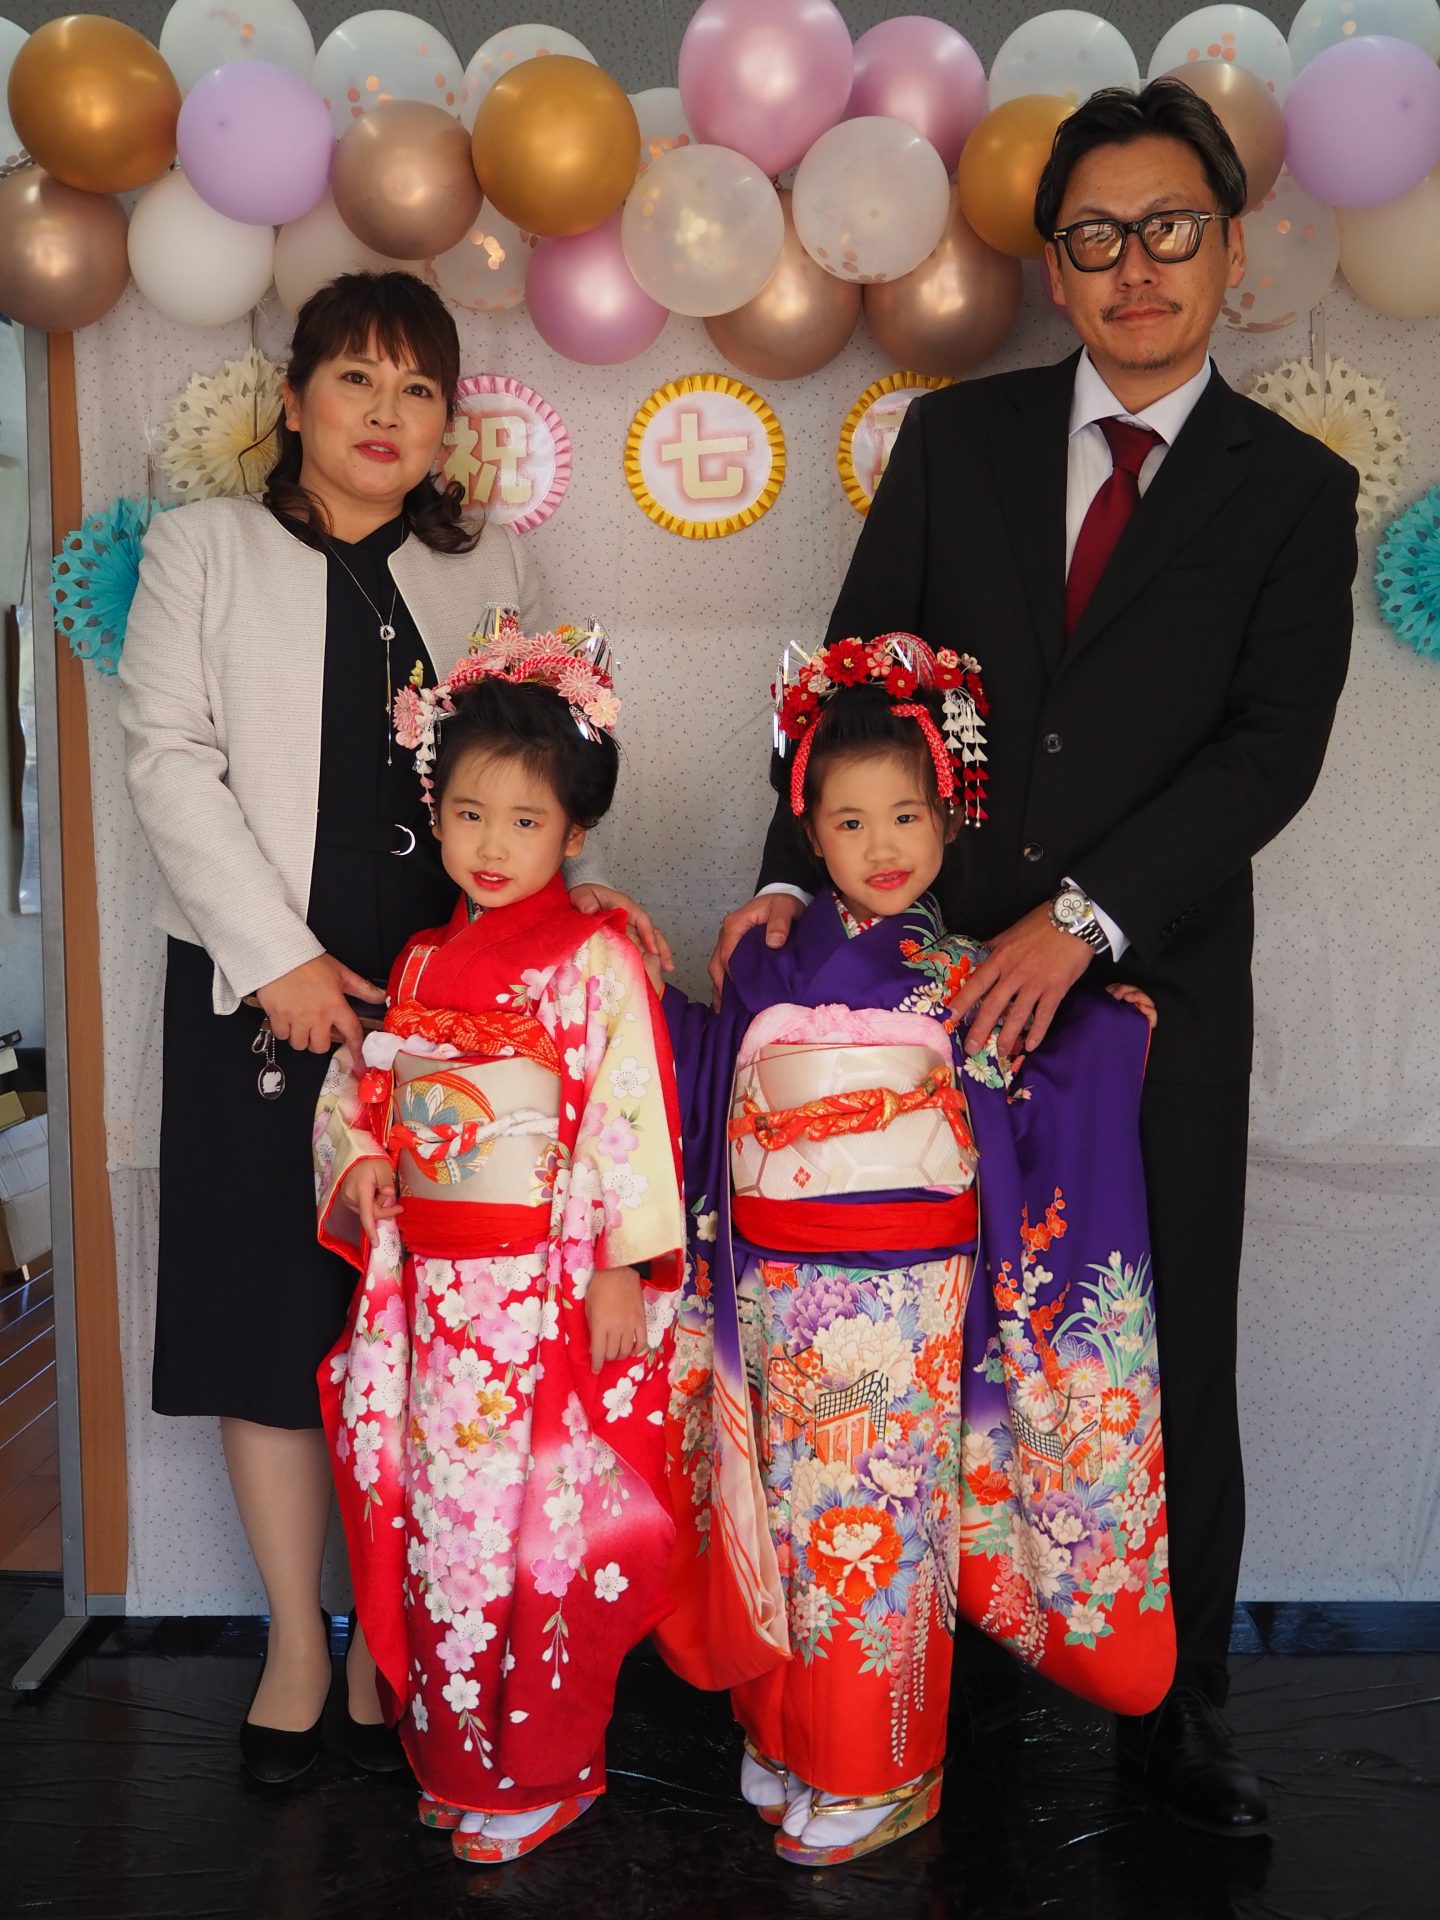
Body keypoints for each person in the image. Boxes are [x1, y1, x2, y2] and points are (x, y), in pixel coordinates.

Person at [712, 82, 1359, 1837]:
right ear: (1055, 270)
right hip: (922, 995)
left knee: (1157, 1336)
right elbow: (856, 683)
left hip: (1148, 994)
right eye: (1097, 237)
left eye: (1170, 229)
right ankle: (952, 1668)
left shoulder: (1296, 493)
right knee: (937, 1327)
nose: (1136, 265)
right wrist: (788, 882)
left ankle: (1179, 1708)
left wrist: (1080, 921)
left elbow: (1269, 753)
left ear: (1230, 250)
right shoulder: (959, 444)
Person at [119, 270, 659, 1783]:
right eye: (355, 378)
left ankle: (399, 1632)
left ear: (445, 426)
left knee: (439, 1328)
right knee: (269, 1317)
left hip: (458, 1004)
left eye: (419, 389)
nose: (385, 412)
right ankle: (301, 1642)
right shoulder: (203, 550)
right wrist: (276, 959)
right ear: (293, 401)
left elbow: (532, 775)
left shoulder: (485, 567)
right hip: (263, 998)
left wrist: (581, 911)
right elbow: (166, 760)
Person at [656, 638, 1167, 1868]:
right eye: (849, 821)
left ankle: (882, 1773)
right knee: (780, 1517)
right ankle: (786, 1738)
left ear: (947, 820)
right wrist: (615, 967)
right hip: (775, 1291)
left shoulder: (965, 973)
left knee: (872, 1524)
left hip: (906, 1307)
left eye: (906, 815)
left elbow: (1037, 1094)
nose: (882, 844)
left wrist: (1107, 1037)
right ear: (808, 832)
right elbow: (704, 1074)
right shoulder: (764, 957)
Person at [314, 621, 686, 1864]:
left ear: (575, 834)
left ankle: (543, 1769)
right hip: (437, 1299)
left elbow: (626, 1111)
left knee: (539, 1530)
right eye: (469, 814)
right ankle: (458, 1760)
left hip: (539, 1294)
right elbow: (368, 1084)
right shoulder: (424, 959)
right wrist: (369, 1158)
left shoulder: (593, 957)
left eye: (525, 821)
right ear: (438, 812)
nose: (491, 843)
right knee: (445, 1528)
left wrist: (620, 1264)